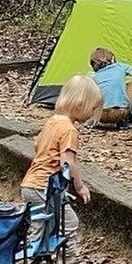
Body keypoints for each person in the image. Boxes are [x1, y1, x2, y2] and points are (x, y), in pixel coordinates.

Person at [21, 73, 101, 245]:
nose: (91, 114)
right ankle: (69, 262)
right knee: (69, 223)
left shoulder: (52, 121)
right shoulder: (69, 130)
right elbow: (67, 163)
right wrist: (79, 186)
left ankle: (39, 262)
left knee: (41, 226)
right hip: (45, 187)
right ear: (80, 105)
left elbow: (38, 146)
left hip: (30, 184)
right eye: (92, 108)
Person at [89, 47, 132, 127]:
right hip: (119, 113)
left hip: (99, 115)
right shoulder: (120, 67)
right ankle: (123, 121)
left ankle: (91, 121)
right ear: (112, 58)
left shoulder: (94, 76)